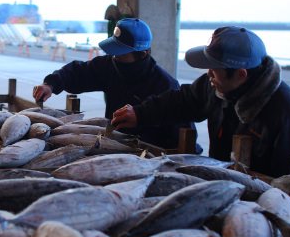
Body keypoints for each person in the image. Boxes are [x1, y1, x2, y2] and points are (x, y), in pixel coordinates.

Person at [112, 26, 290, 177]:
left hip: (260, 205)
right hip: (220, 183)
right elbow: (183, 101)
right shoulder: (217, 85)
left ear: (240, 75)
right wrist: (140, 114)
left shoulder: (289, 118)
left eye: (214, 69)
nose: (208, 75)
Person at [32, 18, 196, 150]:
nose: (115, 58)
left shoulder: (165, 85)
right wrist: (51, 84)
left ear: (142, 54)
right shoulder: (110, 66)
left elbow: (180, 133)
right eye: (113, 52)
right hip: (111, 144)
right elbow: (79, 72)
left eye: (121, 53)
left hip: (150, 152)